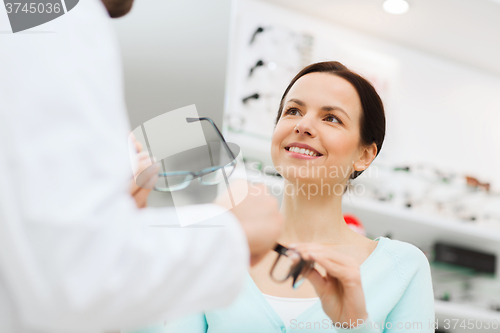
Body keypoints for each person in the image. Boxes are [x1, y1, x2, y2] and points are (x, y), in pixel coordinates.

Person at [0, 1, 283, 333]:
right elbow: (76, 278)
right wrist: (231, 232)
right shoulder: (59, 17)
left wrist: (114, 221)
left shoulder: (24, 18)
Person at [132, 61, 435, 332]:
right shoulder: (219, 248)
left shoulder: (403, 268)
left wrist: (353, 326)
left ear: (365, 155)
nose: (303, 126)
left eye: (331, 118)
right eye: (293, 111)